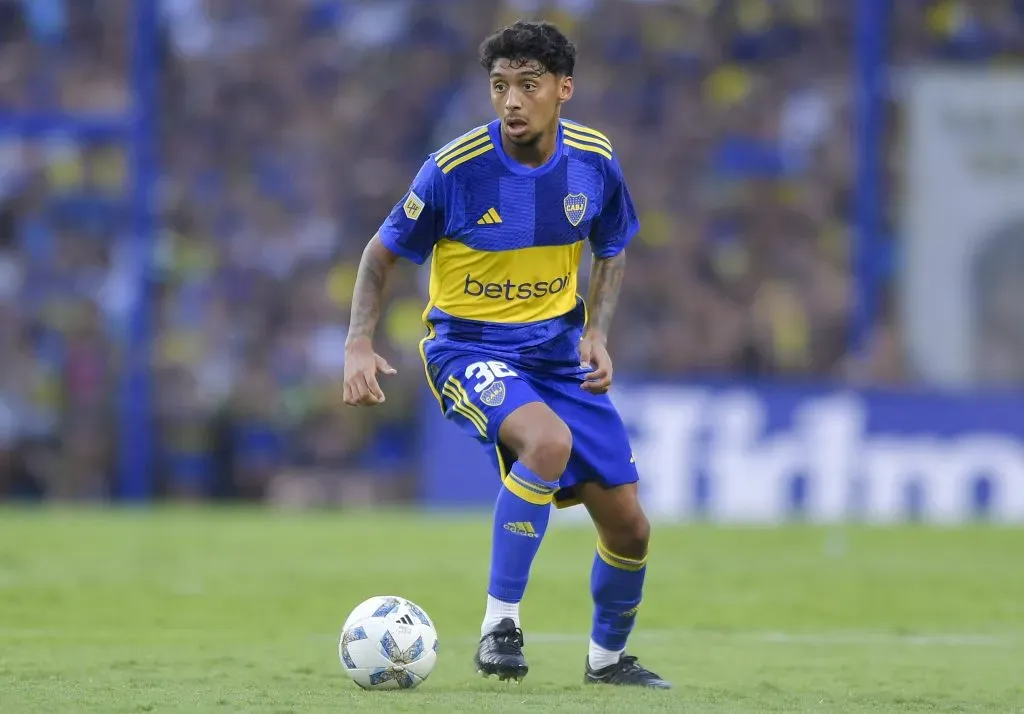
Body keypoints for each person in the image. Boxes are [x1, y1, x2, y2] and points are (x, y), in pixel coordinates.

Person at [342, 20, 669, 689]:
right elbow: (381, 255)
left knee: (630, 528)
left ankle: (607, 663)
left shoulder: (593, 161)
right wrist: (358, 344)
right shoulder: (454, 170)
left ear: (564, 89)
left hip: (556, 355)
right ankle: (500, 625)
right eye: (499, 86)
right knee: (545, 444)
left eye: (528, 85)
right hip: (468, 348)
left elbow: (612, 244)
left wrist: (597, 333)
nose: (511, 101)